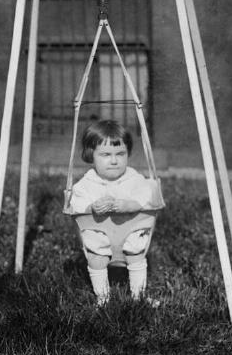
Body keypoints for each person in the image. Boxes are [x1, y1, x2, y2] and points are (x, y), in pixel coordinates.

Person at [68, 119, 164, 306]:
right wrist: (91, 208)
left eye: (120, 154)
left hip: (131, 235)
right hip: (99, 237)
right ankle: (103, 299)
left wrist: (130, 205)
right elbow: (76, 205)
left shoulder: (134, 179)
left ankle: (138, 296)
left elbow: (147, 197)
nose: (114, 161)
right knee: (96, 257)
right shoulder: (86, 183)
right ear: (91, 155)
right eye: (105, 154)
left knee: (137, 253)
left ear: (128, 154)